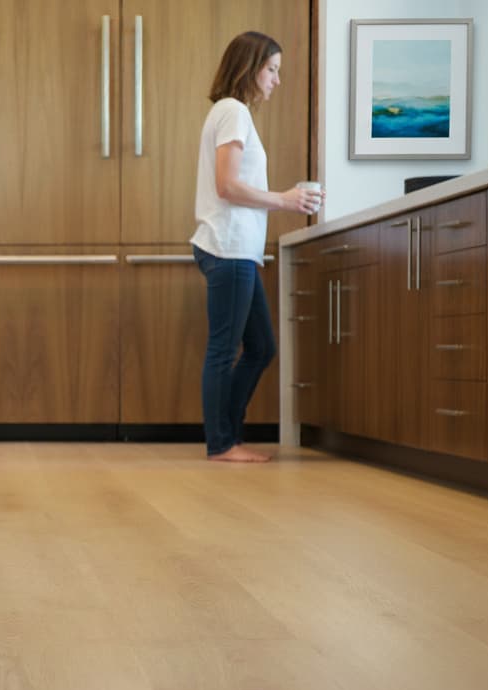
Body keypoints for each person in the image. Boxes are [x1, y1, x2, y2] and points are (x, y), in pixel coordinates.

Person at [191, 31, 322, 463]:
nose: (276, 80)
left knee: (261, 346)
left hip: (237, 249)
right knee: (224, 349)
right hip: (228, 248)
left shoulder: (233, 113)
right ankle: (221, 444)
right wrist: (284, 200)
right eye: (272, 69)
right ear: (250, 68)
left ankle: (228, 435)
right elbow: (226, 185)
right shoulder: (233, 112)